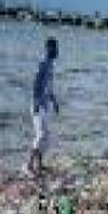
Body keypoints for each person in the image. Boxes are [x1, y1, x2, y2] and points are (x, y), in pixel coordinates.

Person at [27, 38, 60, 177]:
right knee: (41, 135)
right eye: (55, 48)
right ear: (48, 48)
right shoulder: (43, 64)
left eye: (57, 48)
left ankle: (39, 165)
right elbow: (36, 84)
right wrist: (35, 103)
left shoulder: (51, 65)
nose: (57, 51)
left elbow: (48, 87)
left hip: (45, 106)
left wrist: (55, 101)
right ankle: (28, 166)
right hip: (38, 106)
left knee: (46, 136)